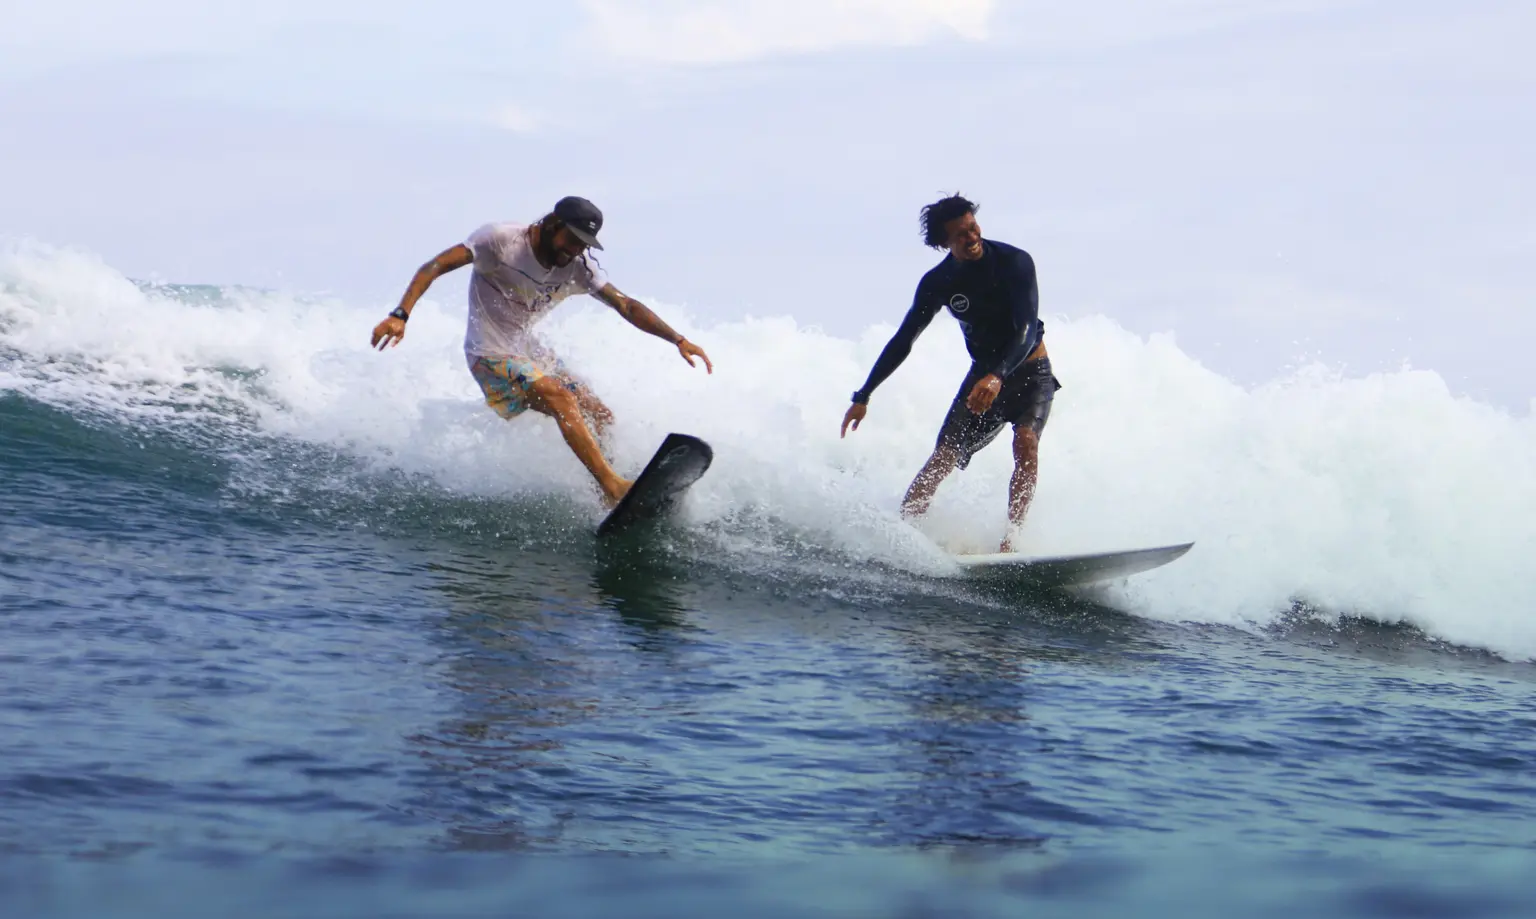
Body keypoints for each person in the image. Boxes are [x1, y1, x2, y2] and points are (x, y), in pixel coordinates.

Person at [370, 196, 712, 507]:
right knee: (560, 396)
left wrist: (678, 339)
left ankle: (609, 494)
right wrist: (400, 314)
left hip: (527, 352)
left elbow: (625, 305)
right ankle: (612, 485)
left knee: (601, 414)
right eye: (572, 239)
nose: (576, 250)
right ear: (552, 224)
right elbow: (435, 265)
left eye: (584, 244)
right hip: (489, 355)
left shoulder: (578, 267)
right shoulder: (500, 241)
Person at [840, 194, 1060, 552]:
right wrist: (863, 395)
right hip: (983, 377)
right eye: (959, 235)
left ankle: (1012, 541)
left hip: (1029, 370)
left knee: (1026, 443)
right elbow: (903, 340)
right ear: (944, 243)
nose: (971, 237)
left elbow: (1025, 330)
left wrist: (998, 375)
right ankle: (903, 537)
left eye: (972, 227)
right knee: (943, 456)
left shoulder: (1015, 262)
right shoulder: (938, 282)